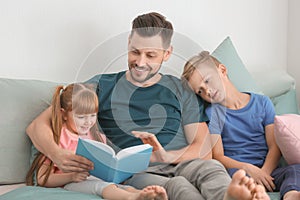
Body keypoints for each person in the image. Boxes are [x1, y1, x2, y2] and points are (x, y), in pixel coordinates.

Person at [26, 12, 269, 200]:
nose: (140, 62)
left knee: (212, 170)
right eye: (135, 52)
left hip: (184, 162)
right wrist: (58, 154)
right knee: (177, 187)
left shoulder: (182, 88)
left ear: (167, 53)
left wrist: (166, 155)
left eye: (151, 55)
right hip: (138, 173)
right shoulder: (101, 85)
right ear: (129, 43)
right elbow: (37, 126)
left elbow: (202, 148)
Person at [181, 50, 300, 200]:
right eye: (200, 91)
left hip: (268, 172)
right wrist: (247, 168)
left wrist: (264, 173)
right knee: (233, 180)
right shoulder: (213, 113)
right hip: (238, 172)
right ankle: (252, 194)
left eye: (207, 81)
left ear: (222, 70)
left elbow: (274, 147)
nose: (208, 91)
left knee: (296, 170)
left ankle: (291, 195)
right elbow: (218, 156)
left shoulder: (262, 103)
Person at [26, 83, 168, 200]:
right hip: (71, 183)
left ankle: (140, 195)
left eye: (93, 115)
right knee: (104, 188)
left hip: (101, 180)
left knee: (126, 188)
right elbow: (42, 178)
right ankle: (133, 198)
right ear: (63, 114)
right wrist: (71, 176)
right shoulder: (58, 137)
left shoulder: (96, 137)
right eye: (81, 117)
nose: (88, 122)